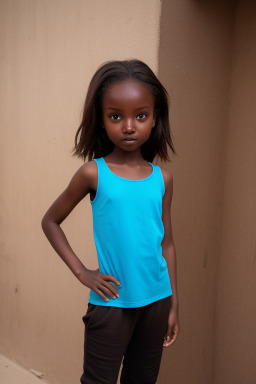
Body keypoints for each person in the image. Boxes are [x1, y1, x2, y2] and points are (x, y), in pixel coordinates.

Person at [42, 59, 180, 384]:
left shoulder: (163, 179)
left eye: (140, 115)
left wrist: (174, 304)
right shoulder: (94, 173)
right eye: (116, 116)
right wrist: (82, 272)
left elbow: (167, 243)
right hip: (112, 302)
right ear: (102, 121)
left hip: (157, 300)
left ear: (154, 117)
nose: (128, 126)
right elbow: (51, 221)